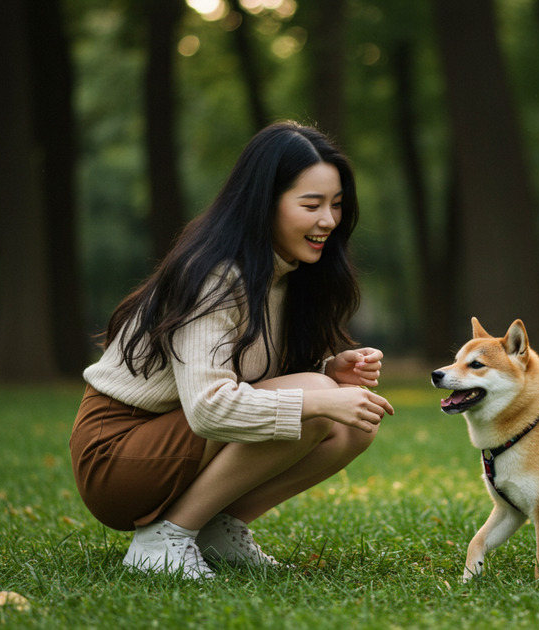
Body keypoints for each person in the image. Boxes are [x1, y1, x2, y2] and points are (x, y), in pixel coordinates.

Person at [70, 121, 395, 580]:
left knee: (353, 424)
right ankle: (164, 538)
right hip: (118, 455)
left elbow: (251, 371)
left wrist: (328, 370)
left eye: (337, 205)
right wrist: (320, 395)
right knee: (315, 407)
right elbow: (207, 410)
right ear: (265, 203)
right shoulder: (216, 278)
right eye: (311, 204)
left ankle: (216, 528)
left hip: (173, 443)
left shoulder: (287, 277)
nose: (329, 220)